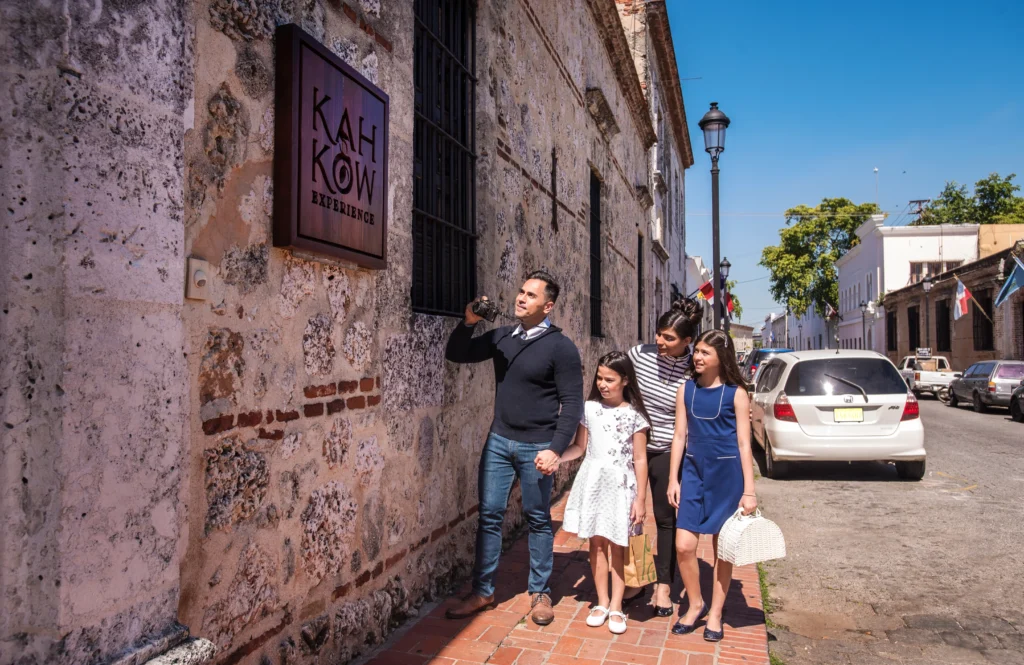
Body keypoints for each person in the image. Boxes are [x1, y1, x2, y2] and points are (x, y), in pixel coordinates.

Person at [444, 270, 583, 626]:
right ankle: (483, 591)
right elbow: (457, 353)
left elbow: (572, 404)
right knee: (490, 516)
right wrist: (469, 321)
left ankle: (540, 593)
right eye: (521, 292)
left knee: (538, 519)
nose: (521, 298)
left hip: (538, 446)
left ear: (547, 305)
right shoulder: (503, 337)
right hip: (499, 442)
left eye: (531, 295)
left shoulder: (561, 348)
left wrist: (555, 449)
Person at [667, 329, 757, 642]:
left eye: (706, 352)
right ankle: (695, 603)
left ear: (722, 357)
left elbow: (745, 444)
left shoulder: (736, 392)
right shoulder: (686, 389)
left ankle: (715, 613)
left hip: (726, 477)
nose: (698, 356)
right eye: (698, 351)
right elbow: (679, 436)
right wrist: (672, 479)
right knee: (684, 546)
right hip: (692, 473)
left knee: (723, 550)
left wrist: (749, 491)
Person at [553, 352, 650, 635]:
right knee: (595, 544)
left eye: (610, 379)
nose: (603, 384)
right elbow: (580, 447)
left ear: (625, 381)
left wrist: (641, 499)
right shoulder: (589, 409)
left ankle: (618, 605)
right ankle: (602, 601)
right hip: (593, 482)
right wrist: (557, 457)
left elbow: (640, 459)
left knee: (619, 544)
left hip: (621, 484)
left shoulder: (635, 415)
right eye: (599, 378)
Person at [626, 297, 703, 615]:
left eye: (669, 338)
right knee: (633, 516)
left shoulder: (692, 370)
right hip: (633, 446)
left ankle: (663, 585)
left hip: (669, 451)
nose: (659, 341)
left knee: (666, 517)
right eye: (658, 333)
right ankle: (637, 577)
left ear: (687, 341)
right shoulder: (639, 355)